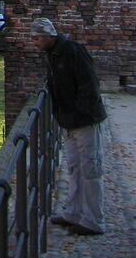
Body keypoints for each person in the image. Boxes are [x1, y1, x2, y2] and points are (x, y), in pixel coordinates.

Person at [30, 17, 107, 236]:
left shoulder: (72, 52)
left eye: (36, 38)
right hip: (70, 121)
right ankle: (73, 212)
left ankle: (94, 220)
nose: (34, 43)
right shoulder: (54, 55)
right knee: (75, 167)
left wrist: (80, 113)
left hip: (84, 121)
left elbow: (90, 86)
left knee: (90, 169)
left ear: (47, 36)